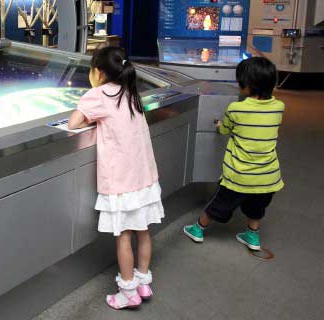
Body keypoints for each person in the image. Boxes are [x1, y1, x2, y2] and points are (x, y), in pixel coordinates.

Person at [68, 46, 163, 310]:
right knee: (143, 232)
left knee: (123, 237)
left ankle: (128, 292)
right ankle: (143, 282)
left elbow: (73, 123)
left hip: (122, 182)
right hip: (144, 178)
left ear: (98, 72)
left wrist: (91, 117)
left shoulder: (97, 95)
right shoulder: (131, 92)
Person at [184, 57, 284, 250]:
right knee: (257, 208)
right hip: (268, 176)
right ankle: (252, 237)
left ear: (247, 85)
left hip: (239, 175)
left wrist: (219, 125)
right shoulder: (279, 107)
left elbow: (225, 129)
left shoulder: (236, 108)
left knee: (218, 204)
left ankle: (198, 229)